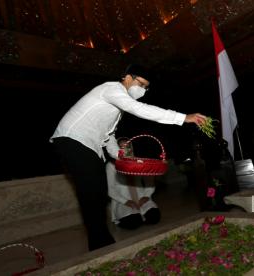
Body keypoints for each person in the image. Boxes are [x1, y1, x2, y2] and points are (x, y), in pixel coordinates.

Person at [50, 64, 207, 251]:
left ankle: (101, 244)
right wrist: (182, 118)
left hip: (88, 146)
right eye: (141, 83)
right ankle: (100, 246)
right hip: (72, 140)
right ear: (127, 77)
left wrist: (123, 158)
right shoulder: (111, 89)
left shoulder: (117, 108)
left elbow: (108, 138)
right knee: (91, 195)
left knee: (97, 194)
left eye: (146, 87)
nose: (143, 90)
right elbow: (139, 109)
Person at [106, 138, 161, 230]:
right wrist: (126, 201)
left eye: (128, 146)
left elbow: (149, 181)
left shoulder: (139, 162)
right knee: (133, 222)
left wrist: (146, 196)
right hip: (123, 201)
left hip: (141, 198)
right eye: (122, 147)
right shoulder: (111, 166)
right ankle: (132, 217)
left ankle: (143, 215)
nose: (126, 150)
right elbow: (111, 190)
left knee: (154, 217)